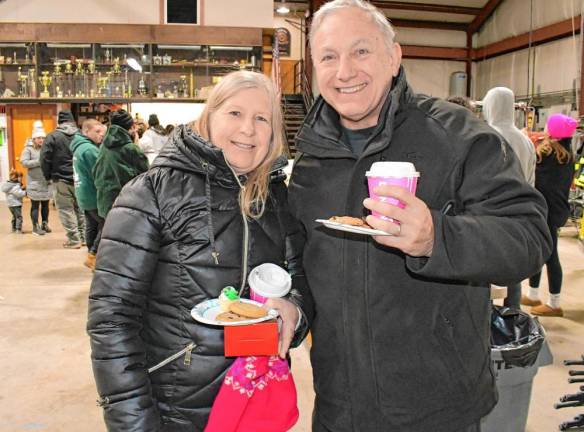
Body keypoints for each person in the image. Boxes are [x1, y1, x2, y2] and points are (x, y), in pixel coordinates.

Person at [287, 1, 552, 431]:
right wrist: (291, 308)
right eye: (328, 57)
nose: (345, 71)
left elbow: (528, 239)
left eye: (361, 51)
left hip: (438, 408)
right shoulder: (311, 159)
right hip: (340, 406)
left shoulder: (457, 136)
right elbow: (303, 262)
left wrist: (438, 238)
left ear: (394, 57)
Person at [87, 70, 307, 430]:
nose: (248, 129)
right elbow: (112, 319)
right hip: (176, 409)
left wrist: (295, 313)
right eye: (235, 113)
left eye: (262, 118)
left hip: (257, 399)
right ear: (209, 117)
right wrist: (135, 423)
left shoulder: (278, 198)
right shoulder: (151, 193)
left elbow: (301, 281)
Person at [482, 86, 537, 309]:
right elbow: (532, 180)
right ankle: (511, 319)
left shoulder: (486, 136)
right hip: (518, 214)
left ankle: (487, 324)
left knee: (484, 272)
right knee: (511, 269)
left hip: (490, 214)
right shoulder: (525, 141)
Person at [522, 114, 577, 317]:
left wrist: (527, 140)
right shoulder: (567, 156)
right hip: (556, 210)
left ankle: (554, 304)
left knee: (550, 255)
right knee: (543, 251)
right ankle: (533, 294)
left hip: (545, 211)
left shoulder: (547, 153)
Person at [40, 110, 86, 248]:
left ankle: (74, 240)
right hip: (79, 178)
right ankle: (84, 237)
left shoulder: (52, 137)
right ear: (72, 121)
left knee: (66, 209)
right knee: (81, 209)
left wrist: (48, 175)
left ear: (59, 122)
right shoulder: (81, 136)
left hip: (60, 179)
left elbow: (44, 159)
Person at [92, 109, 149, 219]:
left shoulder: (104, 146)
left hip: (105, 202)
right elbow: (146, 177)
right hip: (125, 204)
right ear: (130, 127)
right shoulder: (131, 149)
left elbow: (96, 171)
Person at [71, 119, 107, 270]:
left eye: (102, 132)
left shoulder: (79, 147)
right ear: (86, 131)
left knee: (91, 226)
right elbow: (101, 172)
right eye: (97, 132)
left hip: (83, 194)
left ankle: (91, 256)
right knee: (106, 223)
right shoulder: (90, 150)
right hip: (92, 194)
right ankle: (93, 254)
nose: (101, 135)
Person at [20, 121, 52, 235]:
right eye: (38, 138)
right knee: (35, 205)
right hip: (34, 182)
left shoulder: (47, 148)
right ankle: (35, 226)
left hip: (46, 181)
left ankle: (45, 223)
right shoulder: (28, 149)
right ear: (34, 139)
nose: (41, 140)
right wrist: (38, 162)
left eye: (43, 138)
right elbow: (24, 163)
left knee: (45, 205)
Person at [2, 169, 26, 233]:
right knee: (19, 216)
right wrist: (25, 193)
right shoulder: (15, 185)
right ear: (16, 177)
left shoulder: (8, 184)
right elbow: (18, 193)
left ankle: (13, 228)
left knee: (14, 216)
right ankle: (18, 229)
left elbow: (14, 191)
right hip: (16, 203)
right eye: (20, 177)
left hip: (10, 204)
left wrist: (22, 188)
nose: (21, 179)